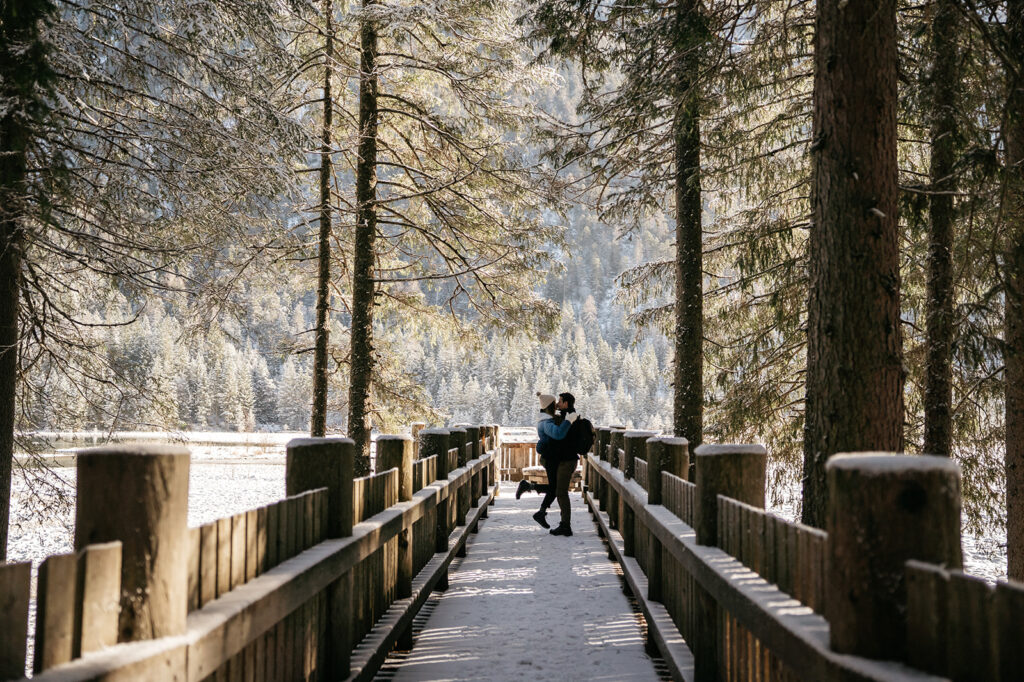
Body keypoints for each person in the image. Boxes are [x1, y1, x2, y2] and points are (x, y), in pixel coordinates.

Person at [517, 392, 576, 530]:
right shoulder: (546, 422)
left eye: (558, 402)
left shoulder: (549, 419)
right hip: (550, 458)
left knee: (555, 488)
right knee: (556, 489)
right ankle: (540, 510)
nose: (556, 405)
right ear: (549, 406)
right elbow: (558, 434)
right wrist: (569, 420)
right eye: (554, 403)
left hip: (552, 457)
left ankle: (534, 498)